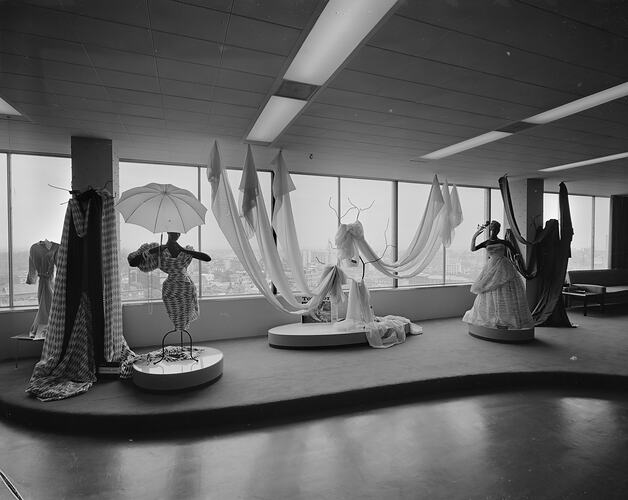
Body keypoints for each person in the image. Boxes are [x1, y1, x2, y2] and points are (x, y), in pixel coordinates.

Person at [128, 232, 211, 331]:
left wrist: (184, 250)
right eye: (174, 232)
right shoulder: (159, 251)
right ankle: (179, 328)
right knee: (174, 312)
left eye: (178, 232)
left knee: (185, 314)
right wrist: (154, 250)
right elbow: (133, 262)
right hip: (170, 289)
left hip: (186, 288)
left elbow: (207, 258)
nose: (177, 234)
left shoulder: (185, 251)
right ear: (168, 232)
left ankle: (182, 330)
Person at [462, 221, 534, 330]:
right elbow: (473, 249)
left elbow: (515, 252)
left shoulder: (504, 242)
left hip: (503, 265)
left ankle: (505, 318)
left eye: (497, 229)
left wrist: (517, 257)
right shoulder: (486, 243)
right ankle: (490, 317)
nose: (495, 230)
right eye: (493, 228)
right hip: (491, 267)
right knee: (489, 290)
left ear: (499, 230)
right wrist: (475, 236)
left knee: (505, 289)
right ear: (491, 229)